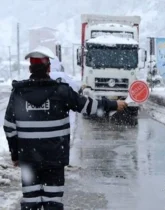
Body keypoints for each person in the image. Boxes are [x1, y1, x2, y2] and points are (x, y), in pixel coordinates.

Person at [3, 46, 127, 210]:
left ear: (30, 68)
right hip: (54, 158)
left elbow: (9, 127)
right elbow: (87, 106)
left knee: (30, 201)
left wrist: (15, 154)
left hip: (29, 159)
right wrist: (113, 104)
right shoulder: (61, 91)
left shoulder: (18, 94)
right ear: (48, 68)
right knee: (53, 201)